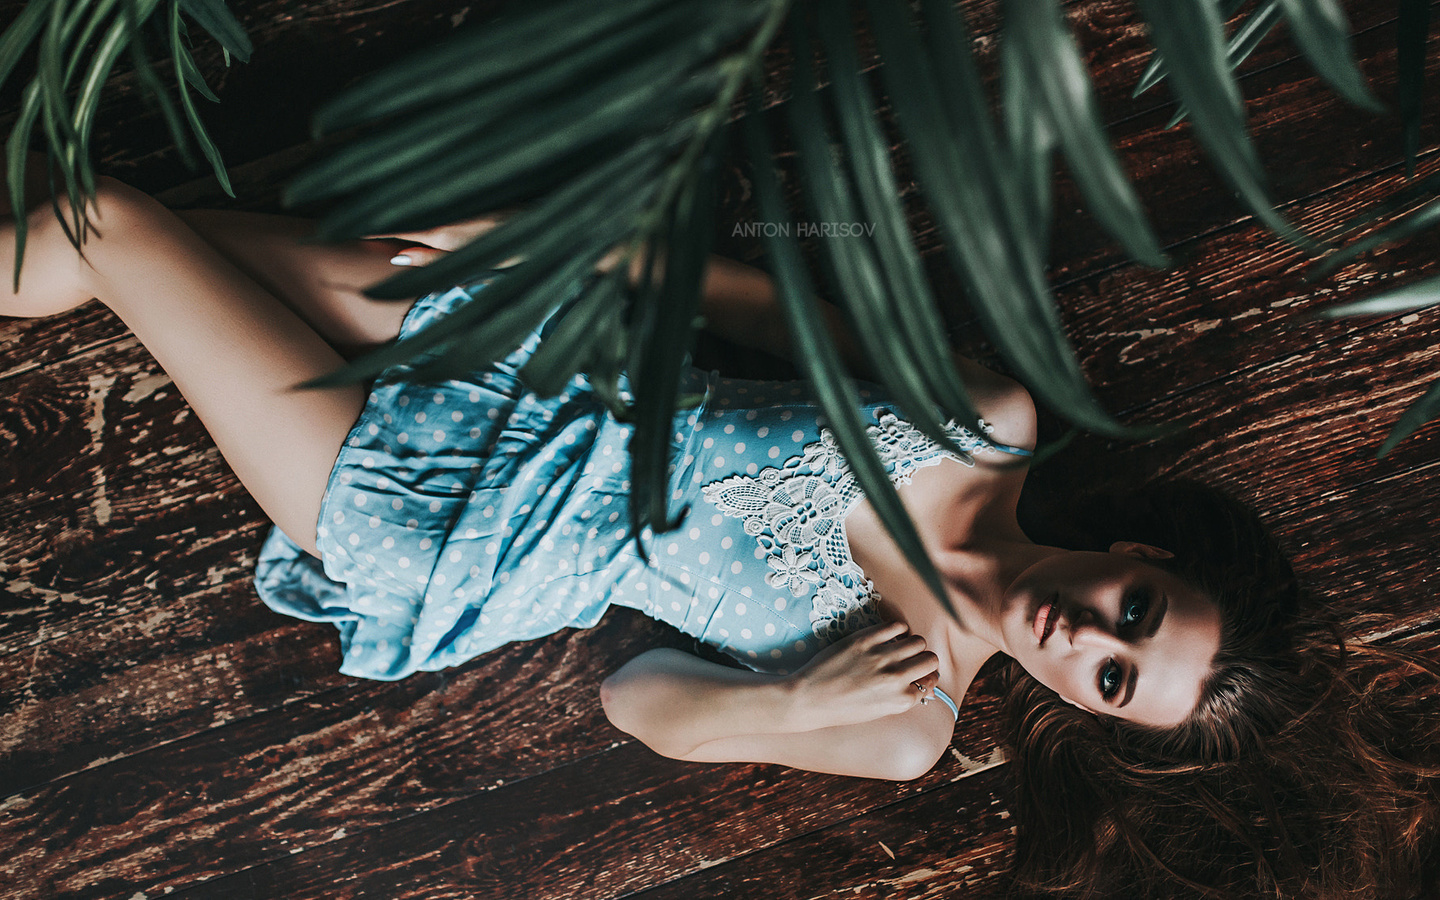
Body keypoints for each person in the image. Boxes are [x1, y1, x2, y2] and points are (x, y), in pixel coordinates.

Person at [4, 170, 1435, 897]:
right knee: (113, 238)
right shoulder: (987, 421)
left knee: (108, 223)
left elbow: (636, 703)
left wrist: (789, 698)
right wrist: (554, 249)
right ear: (1152, 560)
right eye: (1136, 613)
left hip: (457, 526)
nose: (1092, 640)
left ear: (1092, 716)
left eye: (1116, 680)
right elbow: (751, 310)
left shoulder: (905, 718)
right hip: (529, 355)